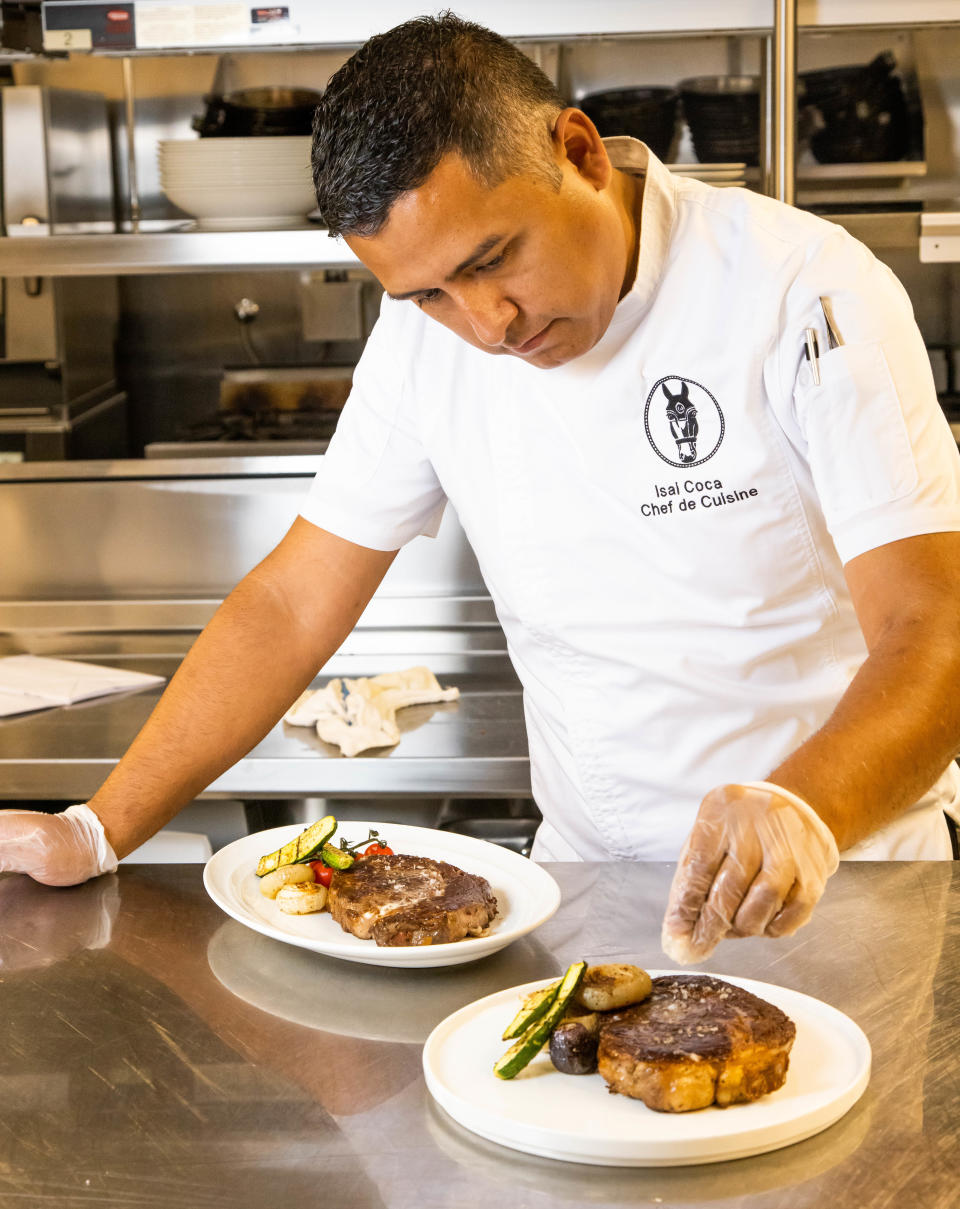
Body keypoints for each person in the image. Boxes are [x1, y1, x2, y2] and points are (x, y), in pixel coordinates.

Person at [3, 14, 960, 964]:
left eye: (491, 259)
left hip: (841, 886)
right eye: (429, 295)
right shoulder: (424, 342)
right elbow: (293, 602)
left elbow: (935, 630)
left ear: (579, 153)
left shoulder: (807, 290)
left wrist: (803, 807)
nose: (486, 325)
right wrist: (93, 829)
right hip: (588, 897)